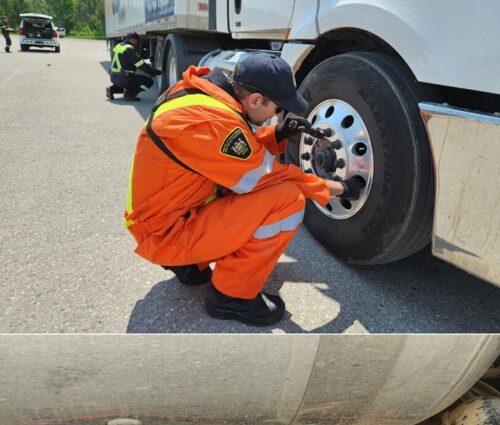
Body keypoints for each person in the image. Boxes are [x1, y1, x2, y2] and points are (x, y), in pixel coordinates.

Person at [123, 53, 363, 326]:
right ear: (255, 100)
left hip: (163, 218)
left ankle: (189, 265)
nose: (278, 114)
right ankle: (231, 296)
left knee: (256, 191)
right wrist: (339, 189)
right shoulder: (212, 123)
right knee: (288, 200)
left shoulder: (204, 97)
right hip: (165, 233)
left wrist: (278, 134)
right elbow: (270, 176)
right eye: (277, 108)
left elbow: (227, 150)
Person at [107, 32, 160, 101]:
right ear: (133, 40)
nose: (137, 43)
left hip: (113, 77)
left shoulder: (119, 46)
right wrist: (156, 72)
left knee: (126, 81)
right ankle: (129, 94)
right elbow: (142, 66)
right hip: (124, 78)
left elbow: (127, 57)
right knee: (149, 82)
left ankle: (112, 89)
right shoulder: (130, 49)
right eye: (137, 41)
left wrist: (146, 56)